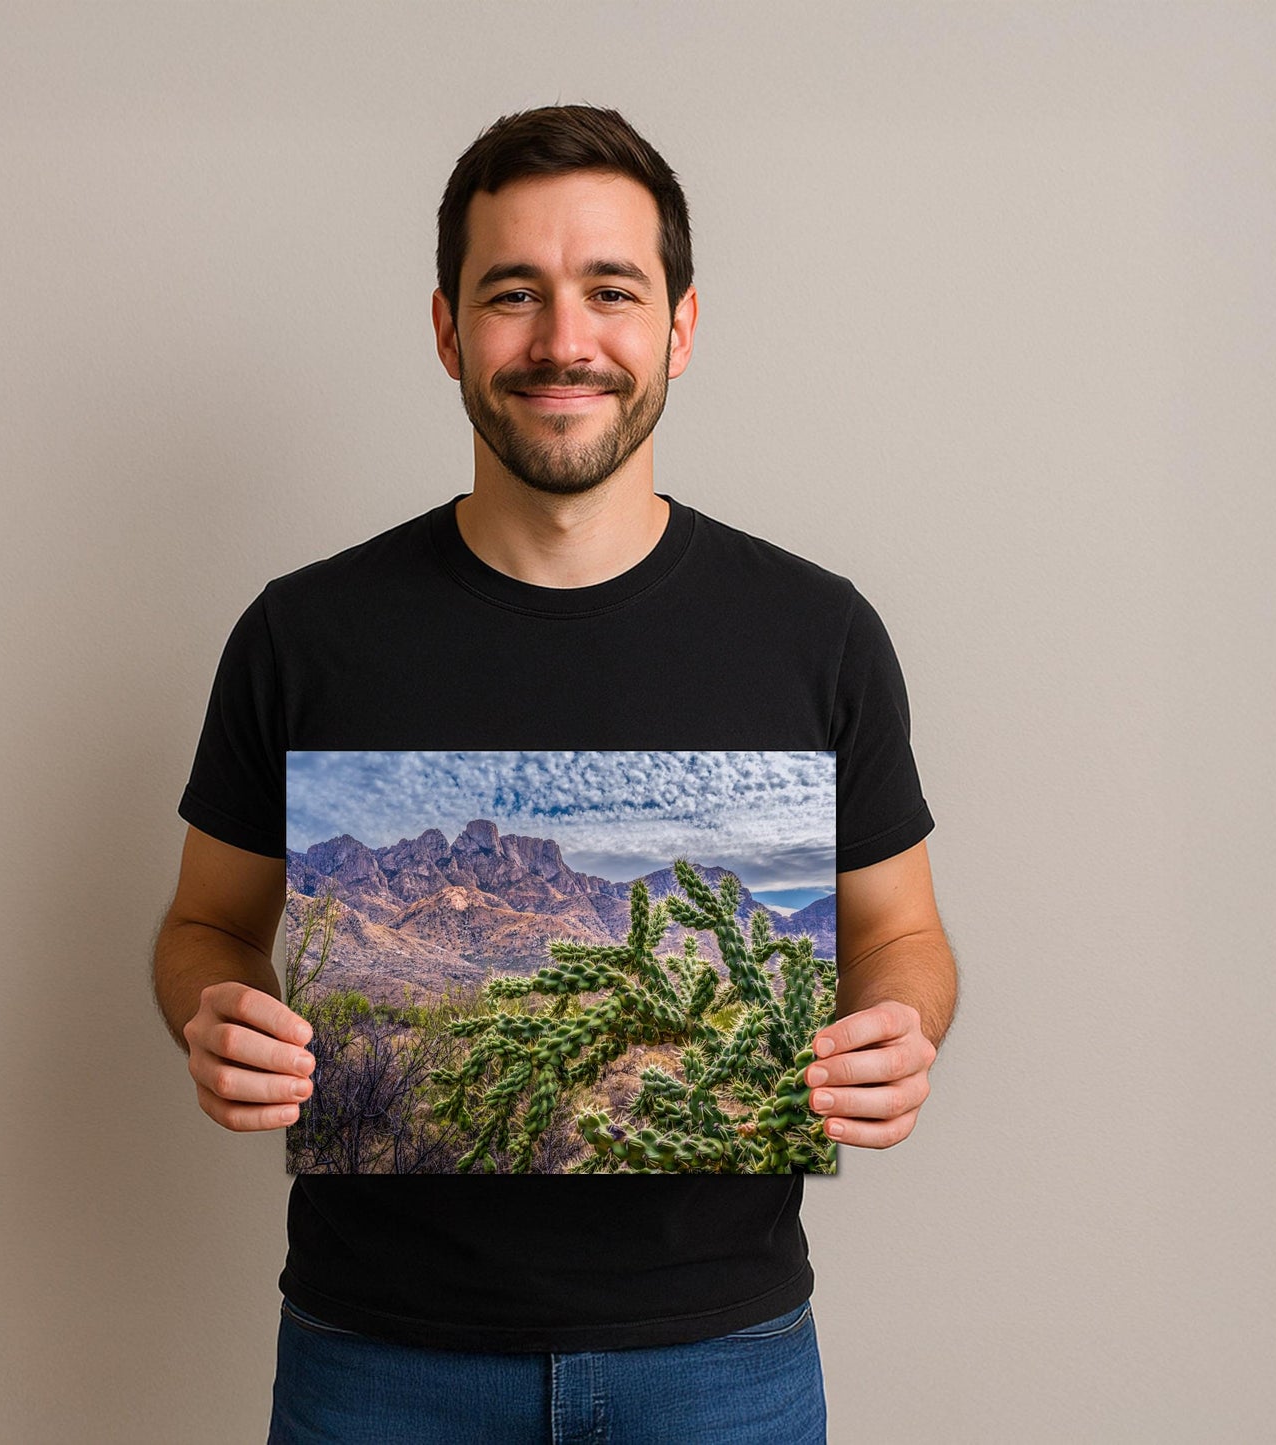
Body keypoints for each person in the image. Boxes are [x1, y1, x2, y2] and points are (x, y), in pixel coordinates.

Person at [153, 104, 958, 1444]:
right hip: (380, 1359)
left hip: (720, 1355)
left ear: (679, 329)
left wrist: (899, 1029)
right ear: (446, 330)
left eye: (610, 291)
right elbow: (202, 924)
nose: (562, 339)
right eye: (512, 293)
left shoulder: (816, 634)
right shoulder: (307, 634)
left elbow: (903, 935)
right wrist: (216, 1011)